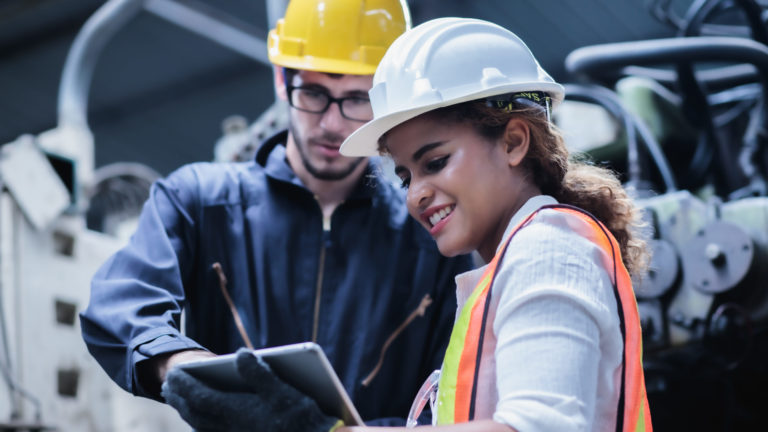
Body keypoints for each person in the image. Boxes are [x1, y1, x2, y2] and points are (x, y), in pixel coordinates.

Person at [79, 1, 473, 430]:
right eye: (314, 93)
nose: (331, 124)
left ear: (387, 102)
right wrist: (178, 363)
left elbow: (449, 403)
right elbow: (121, 302)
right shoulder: (199, 200)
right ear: (282, 81)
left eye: (357, 99)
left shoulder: (428, 236)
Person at [334, 17, 654, 431]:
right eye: (406, 176)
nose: (415, 195)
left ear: (514, 142)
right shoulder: (517, 262)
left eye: (435, 163)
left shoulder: (548, 250)